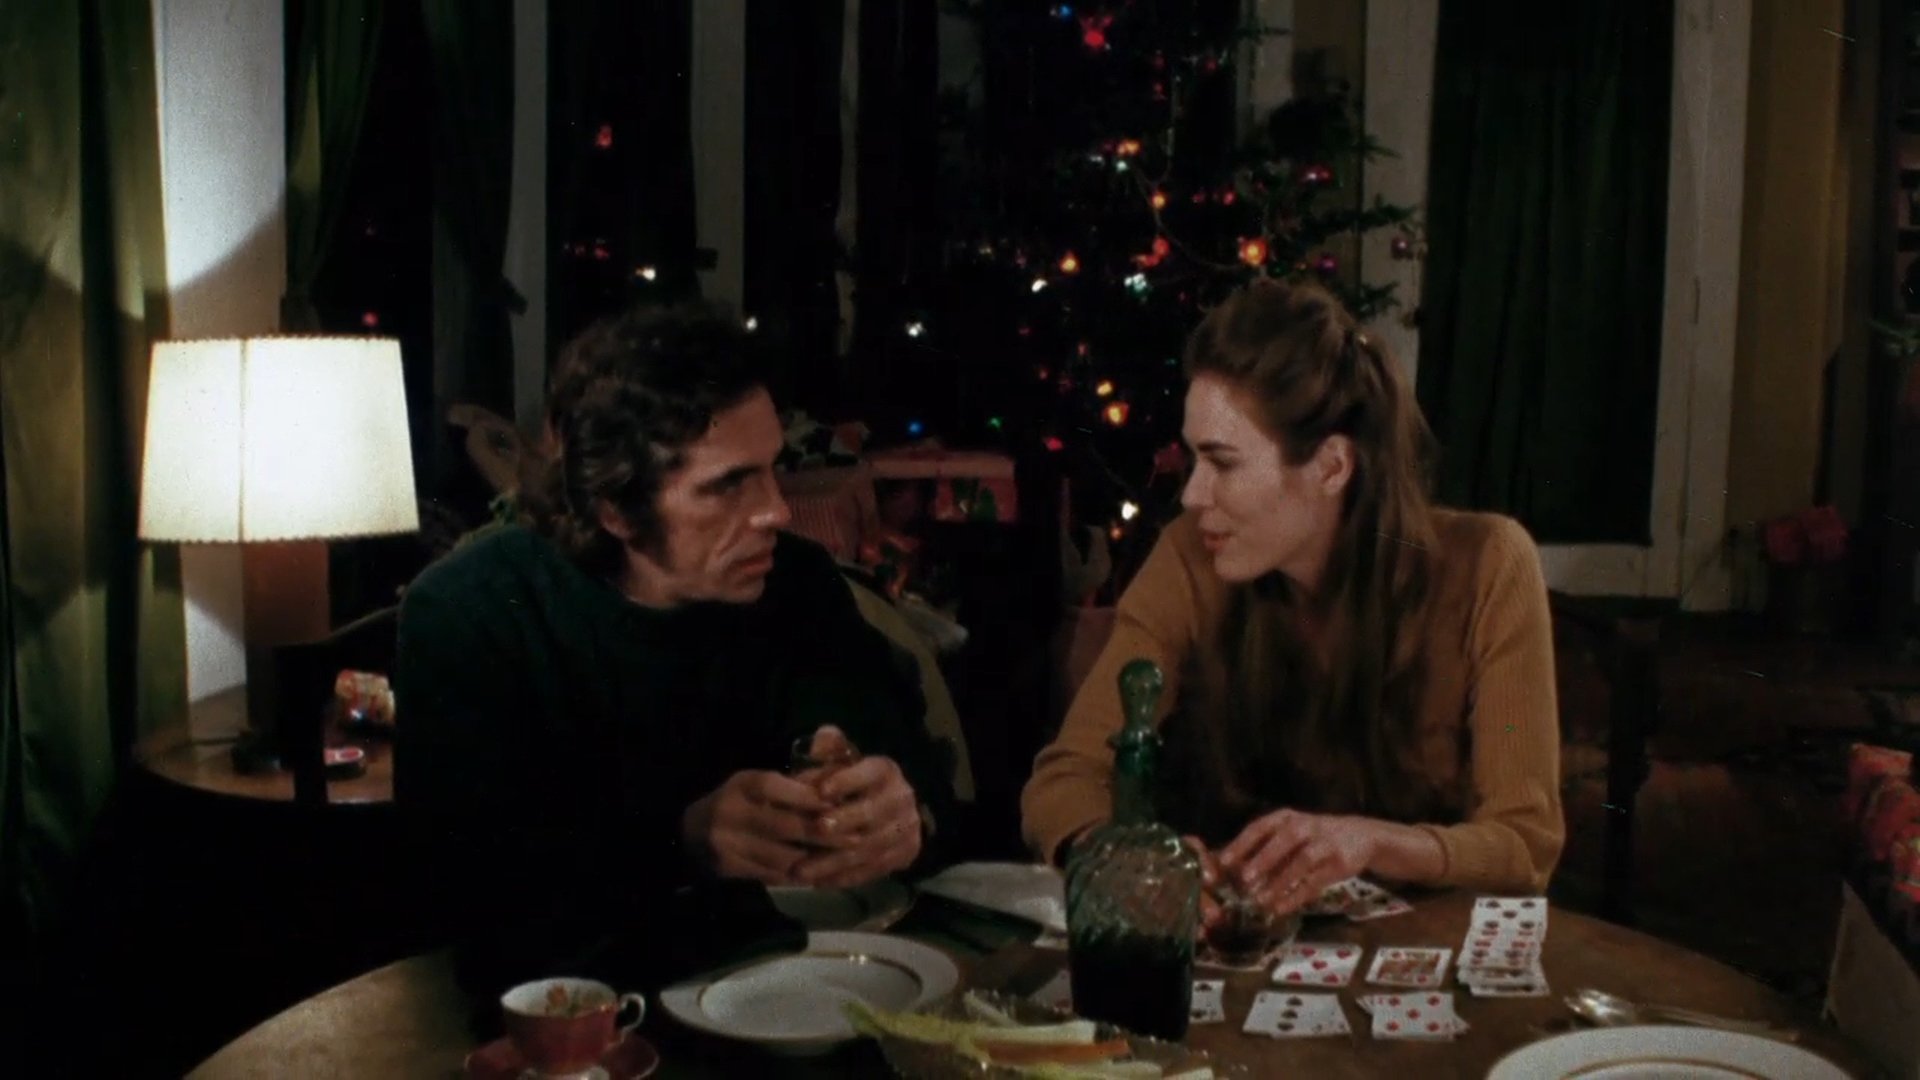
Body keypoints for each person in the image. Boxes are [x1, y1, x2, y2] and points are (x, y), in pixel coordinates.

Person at [395, 303, 952, 997]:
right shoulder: (472, 613)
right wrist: (681, 841)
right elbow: (471, 903)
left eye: (772, 469)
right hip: (574, 1014)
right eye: (728, 484)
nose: (777, 510)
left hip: (787, 990)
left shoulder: (796, 582)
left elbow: (910, 762)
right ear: (615, 508)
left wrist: (899, 808)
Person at [1021, 278, 1562, 924]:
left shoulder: (1488, 566)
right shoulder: (1191, 557)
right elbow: (1065, 779)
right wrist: (1120, 858)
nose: (1193, 495)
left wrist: (1372, 843)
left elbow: (1525, 842)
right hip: (1238, 942)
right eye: (1194, 460)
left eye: (1223, 463)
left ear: (1331, 466)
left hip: (1430, 943)